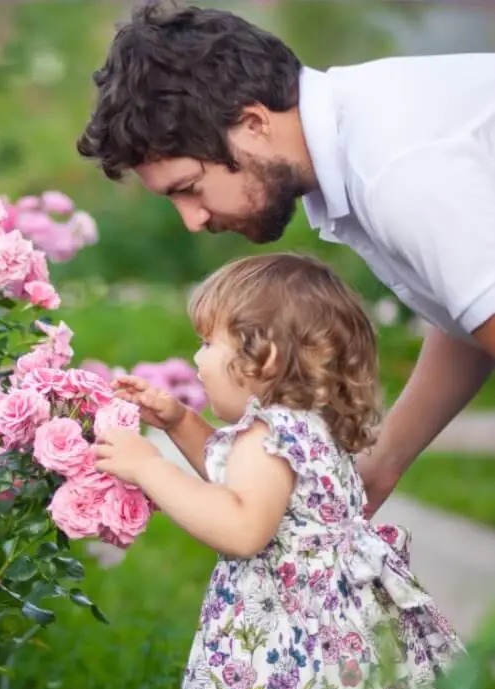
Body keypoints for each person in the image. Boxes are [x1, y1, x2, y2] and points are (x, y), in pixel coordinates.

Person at [77, 1, 495, 517]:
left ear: (253, 122)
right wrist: (380, 466)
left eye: (190, 188)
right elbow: (469, 312)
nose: (193, 219)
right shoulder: (364, 140)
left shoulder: (396, 170)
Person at [94, 253, 463, 689]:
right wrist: (179, 421)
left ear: (262, 356)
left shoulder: (268, 435)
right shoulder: (305, 426)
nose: (198, 359)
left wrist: (148, 468)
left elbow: (242, 527)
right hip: (337, 634)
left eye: (207, 343)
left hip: (284, 649)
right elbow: (243, 486)